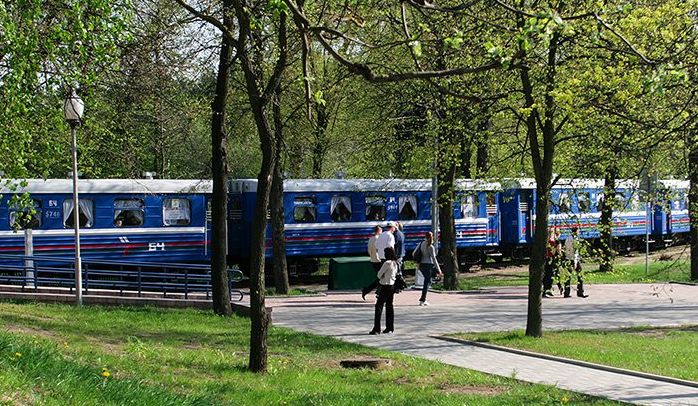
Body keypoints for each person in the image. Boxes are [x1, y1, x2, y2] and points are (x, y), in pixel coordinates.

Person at [370, 247, 399, 335]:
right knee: (389, 306)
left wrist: (382, 276)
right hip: (392, 286)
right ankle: (390, 327)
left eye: (385, 253)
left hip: (385, 286)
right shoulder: (395, 263)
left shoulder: (387, 263)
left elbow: (379, 274)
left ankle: (376, 328)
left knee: (378, 306)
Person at [362, 222, 395, 300]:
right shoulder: (390, 236)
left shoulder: (381, 235)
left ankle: (376, 292)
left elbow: (376, 246)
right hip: (385, 259)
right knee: (383, 277)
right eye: (394, 228)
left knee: (381, 277)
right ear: (392, 227)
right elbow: (390, 248)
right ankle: (372, 291)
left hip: (380, 258)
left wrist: (380, 251)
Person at [414, 231, 442, 306]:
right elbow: (434, 259)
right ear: (432, 237)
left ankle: (423, 299)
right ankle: (423, 299)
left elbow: (414, 253)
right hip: (428, 265)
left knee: (427, 281)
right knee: (427, 282)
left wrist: (418, 262)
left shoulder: (421, 243)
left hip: (421, 265)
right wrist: (439, 270)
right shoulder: (430, 247)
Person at [563, 227, 588, 298]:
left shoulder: (568, 238)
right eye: (578, 231)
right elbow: (574, 251)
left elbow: (567, 249)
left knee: (568, 276)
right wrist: (575, 262)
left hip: (568, 258)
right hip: (573, 259)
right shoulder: (574, 239)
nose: (578, 232)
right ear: (576, 232)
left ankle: (566, 292)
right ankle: (580, 292)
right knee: (580, 275)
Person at [543, 227, 557, 297]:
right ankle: (546, 290)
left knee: (550, 275)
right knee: (548, 275)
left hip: (551, 258)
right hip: (549, 259)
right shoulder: (549, 241)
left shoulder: (551, 240)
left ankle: (548, 289)